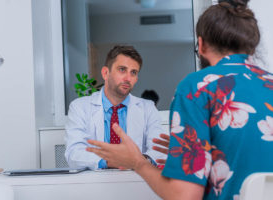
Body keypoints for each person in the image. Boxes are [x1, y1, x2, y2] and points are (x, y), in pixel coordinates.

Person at [87, 0, 273, 199]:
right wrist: (193, 148)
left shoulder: (197, 88)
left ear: (201, 45)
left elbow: (184, 196)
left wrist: (137, 162)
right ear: (251, 48)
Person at [65, 45, 165, 170]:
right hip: (95, 182)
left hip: (136, 180)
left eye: (133, 72)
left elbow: (159, 150)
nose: (128, 78)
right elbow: (74, 154)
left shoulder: (148, 108)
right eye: (122, 70)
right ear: (105, 73)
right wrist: (111, 162)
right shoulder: (79, 107)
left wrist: (141, 161)